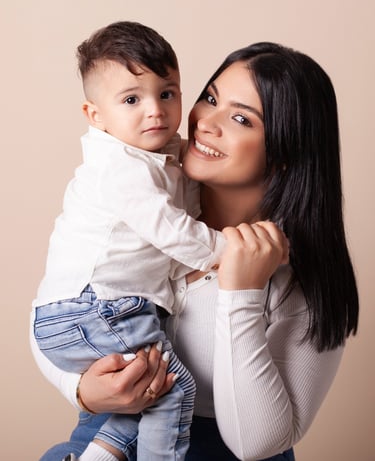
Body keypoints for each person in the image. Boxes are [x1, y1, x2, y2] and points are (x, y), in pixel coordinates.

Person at [30, 41, 359, 461]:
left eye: (241, 118)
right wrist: (81, 390)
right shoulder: (144, 189)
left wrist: (242, 293)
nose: (206, 122)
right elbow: (57, 301)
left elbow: (258, 443)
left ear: (286, 152)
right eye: (210, 98)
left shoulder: (298, 275)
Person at [31, 21, 227, 461]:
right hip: (98, 307)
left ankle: (101, 456)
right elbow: (172, 232)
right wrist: (228, 253)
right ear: (95, 116)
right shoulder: (122, 168)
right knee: (174, 389)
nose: (155, 110)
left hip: (74, 312)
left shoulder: (156, 160)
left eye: (168, 93)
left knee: (147, 393)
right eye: (132, 99)